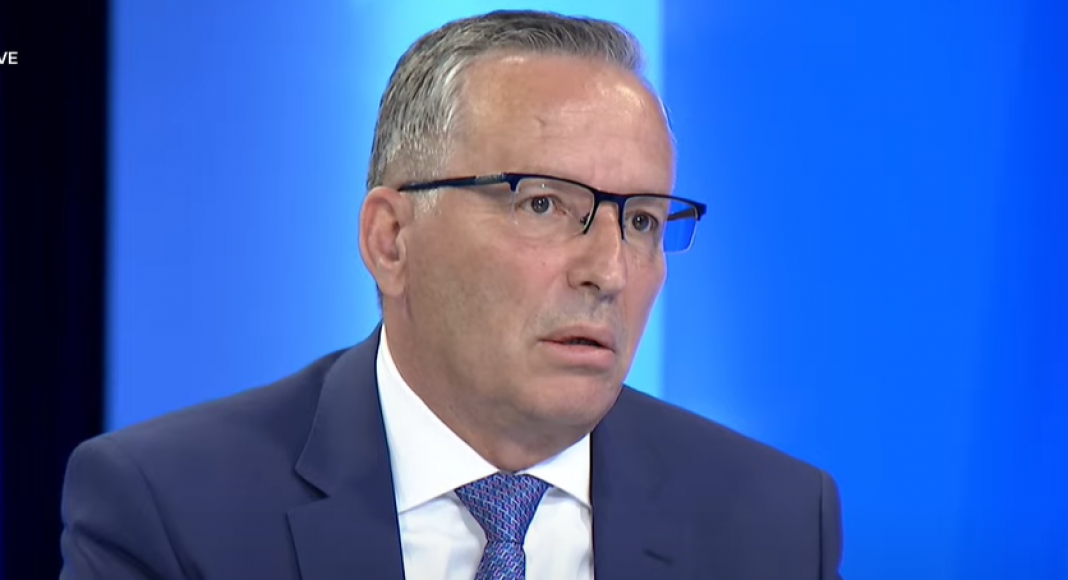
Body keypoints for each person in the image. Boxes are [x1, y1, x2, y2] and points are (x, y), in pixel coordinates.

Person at [59, 10, 843, 580]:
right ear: (391, 240)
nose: (608, 271)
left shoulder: (773, 524)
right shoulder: (171, 509)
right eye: (543, 204)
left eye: (640, 220)